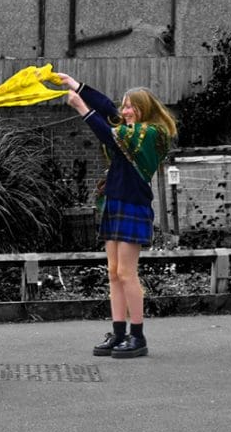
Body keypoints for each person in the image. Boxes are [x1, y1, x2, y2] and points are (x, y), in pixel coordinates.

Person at [56, 72, 177, 358]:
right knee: (113, 273)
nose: (123, 111)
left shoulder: (149, 134)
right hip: (114, 203)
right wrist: (75, 85)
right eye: (124, 106)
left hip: (133, 206)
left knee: (126, 272)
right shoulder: (128, 131)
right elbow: (108, 112)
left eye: (130, 106)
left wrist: (81, 108)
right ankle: (119, 333)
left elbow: (108, 132)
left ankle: (138, 336)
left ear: (143, 109)